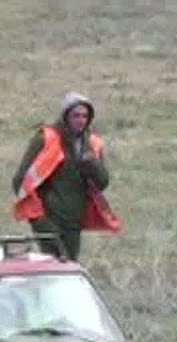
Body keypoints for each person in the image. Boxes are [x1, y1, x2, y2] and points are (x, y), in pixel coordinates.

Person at [11, 91, 121, 261]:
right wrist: (38, 220)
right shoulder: (46, 139)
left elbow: (102, 183)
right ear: (65, 116)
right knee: (51, 268)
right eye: (76, 115)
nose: (81, 120)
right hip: (47, 220)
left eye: (85, 116)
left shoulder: (92, 143)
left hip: (74, 221)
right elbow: (20, 181)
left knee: (68, 267)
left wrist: (90, 162)